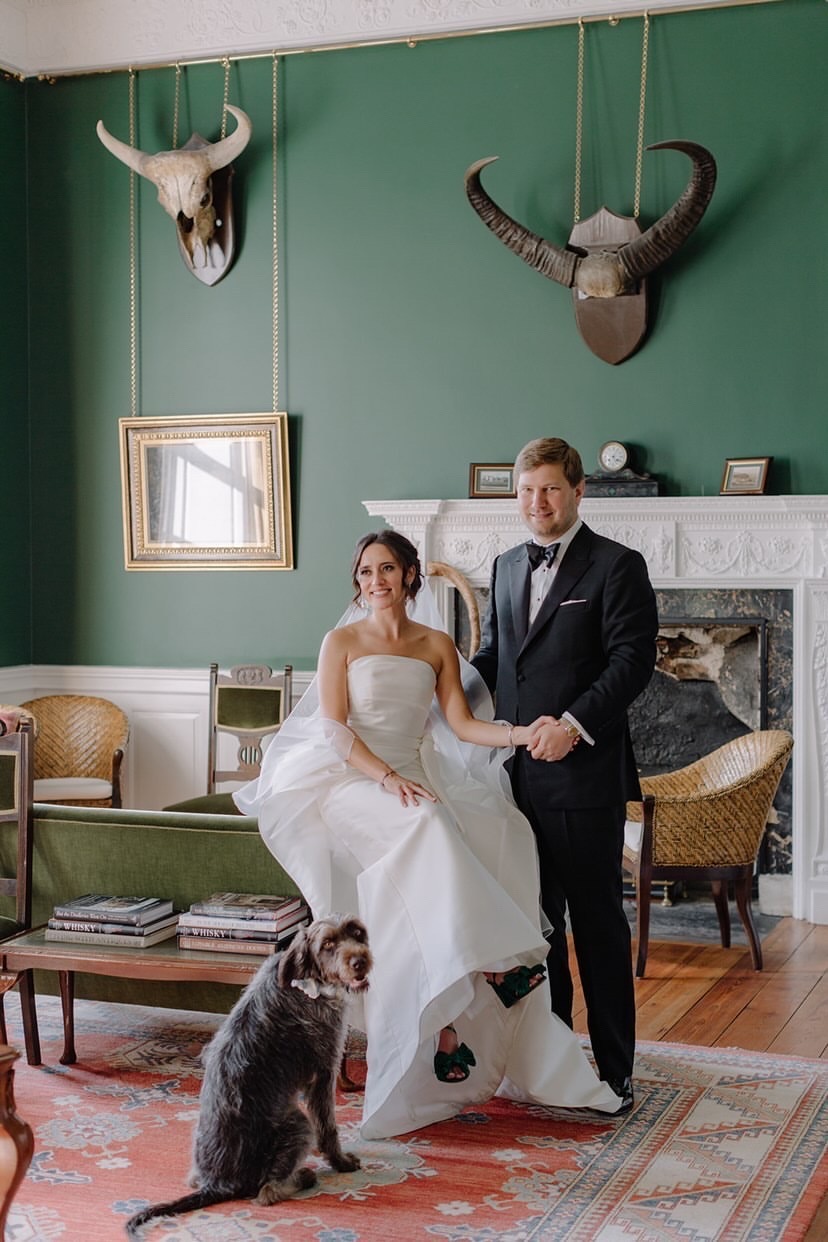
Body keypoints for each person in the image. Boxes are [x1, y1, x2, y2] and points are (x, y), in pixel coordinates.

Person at [234, 529, 622, 1138]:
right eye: (365, 572)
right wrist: (386, 777)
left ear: (410, 575)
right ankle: (495, 966)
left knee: (495, 830)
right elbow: (335, 732)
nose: (375, 582)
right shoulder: (341, 642)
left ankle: (449, 1020)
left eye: (387, 569)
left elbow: (464, 725)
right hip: (351, 780)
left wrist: (523, 734)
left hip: (415, 780)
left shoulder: (436, 644)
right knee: (431, 823)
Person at [471, 438, 658, 1112]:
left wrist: (572, 725)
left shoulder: (617, 566)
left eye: (548, 489)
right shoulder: (503, 565)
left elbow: (632, 662)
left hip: (583, 780)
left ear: (579, 491)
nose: (536, 504)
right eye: (525, 491)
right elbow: (496, 659)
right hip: (513, 781)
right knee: (535, 930)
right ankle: (554, 1061)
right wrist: (437, 694)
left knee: (598, 929)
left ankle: (614, 1070)